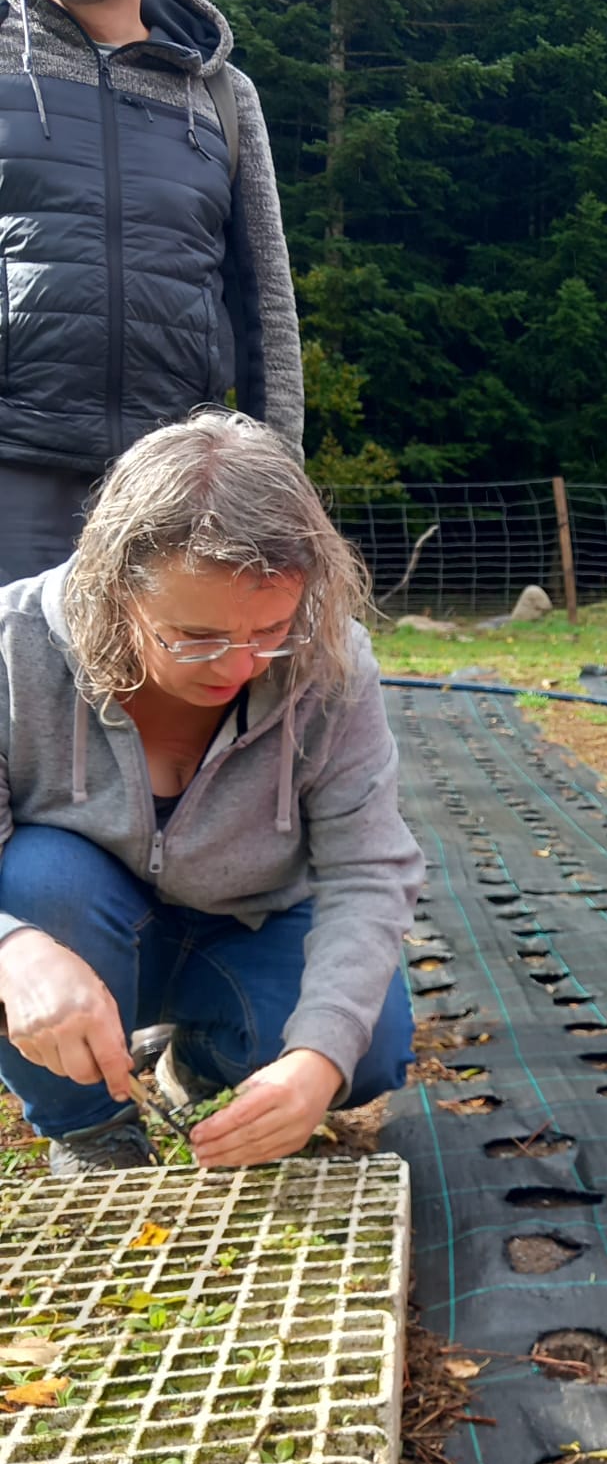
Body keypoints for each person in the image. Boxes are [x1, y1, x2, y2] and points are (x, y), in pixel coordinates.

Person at [0, 410, 422, 1176]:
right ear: (116, 587)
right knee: (38, 881)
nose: (238, 667)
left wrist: (317, 1061)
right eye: (195, 637)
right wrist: (13, 951)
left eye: (271, 630)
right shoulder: (12, 646)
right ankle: (90, 1127)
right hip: (81, 925)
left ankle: (195, 1062)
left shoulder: (332, 662)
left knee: (370, 1044)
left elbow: (368, 868)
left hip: (246, 927)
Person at [0, 0, 303, 581]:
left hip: (172, 484)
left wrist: (279, 495)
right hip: (11, 475)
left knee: (165, 670)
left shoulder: (223, 95)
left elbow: (266, 309)